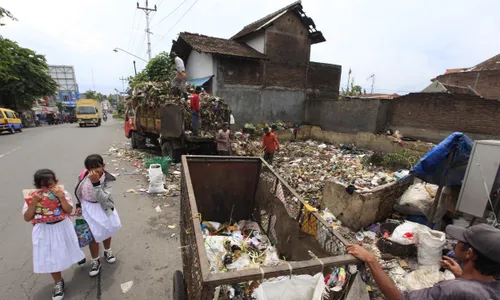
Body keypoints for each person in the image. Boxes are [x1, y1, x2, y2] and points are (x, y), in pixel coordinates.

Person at [347, 223, 500, 300]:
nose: (455, 242)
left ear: (469, 253)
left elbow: (399, 299)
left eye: (460, 240)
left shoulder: (453, 290)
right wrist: (461, 276)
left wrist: (371, 259)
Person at [23, 169, 85, 300]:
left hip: (62, 226)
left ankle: (77, 256)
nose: (46, 189)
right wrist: (33, 203)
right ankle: (58, 282)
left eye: (49, 185)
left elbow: (68, 210)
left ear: (56, 182)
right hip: (44, 230)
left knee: (69, 246)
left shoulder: (62, 193)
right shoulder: (31, 197)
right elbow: (27, 217)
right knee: (50, 256)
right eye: (42, 186)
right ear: (36, 186)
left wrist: (61, 197)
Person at [75, 154, 121, 277]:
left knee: (107, 230)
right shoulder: (83, 175)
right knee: (93, 235)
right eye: (90, 168)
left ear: (103, 166)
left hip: (103, 207)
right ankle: (95, 260)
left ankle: (107, 251)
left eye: (97, 167)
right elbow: (79, 191)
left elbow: (103, 199)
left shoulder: (108, 179)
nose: (94, 171)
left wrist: (96, 183)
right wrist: (78, 205)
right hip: (88, 208)